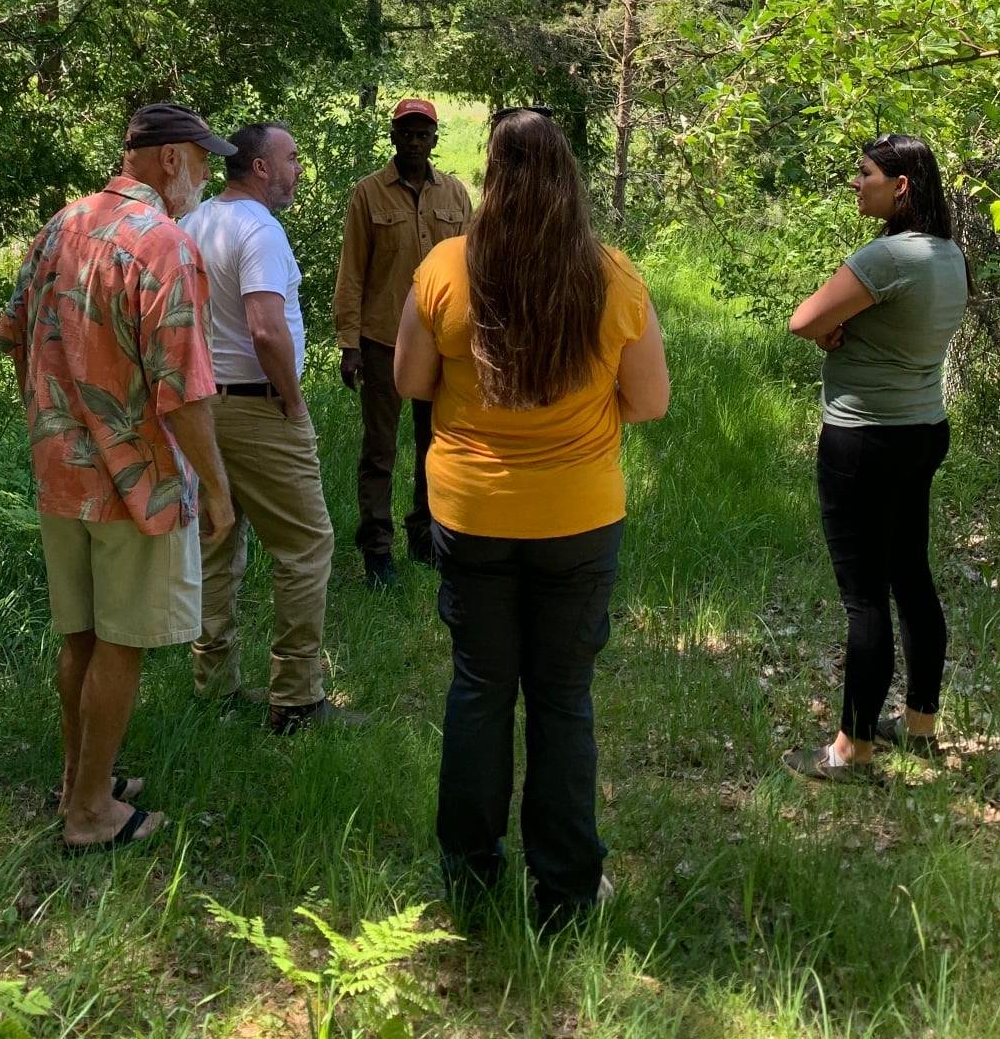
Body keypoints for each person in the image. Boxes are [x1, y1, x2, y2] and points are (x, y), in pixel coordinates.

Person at [394, 107, 670, 927]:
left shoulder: (447, 266)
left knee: (480, 689)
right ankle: (566, 891)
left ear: (492, 171)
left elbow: (410, 380)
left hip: (471, 512)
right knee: (562, 700)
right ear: (569, 174)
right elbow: (648, 402)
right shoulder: (611, 275)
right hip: (579, 520)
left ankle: (471, 878)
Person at [0, 102, 237, 851]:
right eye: (203, 158)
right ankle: (91, 812)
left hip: (59, 471)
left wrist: (49, 420)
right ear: (171, 160)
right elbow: (185, 392)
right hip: (139, 483)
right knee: (121, 643)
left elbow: (12, 335)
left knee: (81, 637)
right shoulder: (165, 244)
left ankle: (80, 780)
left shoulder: (61, 224)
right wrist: (221, 491)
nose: (206, 173)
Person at [785, 133, 970, 782]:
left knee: (864, 599)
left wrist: (830, 330)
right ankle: (919, 725)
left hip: (864, 439)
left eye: (864, 173)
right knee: (911, 577)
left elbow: (802, 320)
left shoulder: (886, 257)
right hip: (922, 430)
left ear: (902, 185)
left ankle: (852, 750)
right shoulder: (949, 255)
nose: (855, 183)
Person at [183, 124, 351, 733]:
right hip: (257, 409)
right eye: (293, 158)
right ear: (259, 168)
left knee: (216, 543)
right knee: (307, 547)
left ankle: (212, 685)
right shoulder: (258, 229)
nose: (299, 169)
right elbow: (264, 327)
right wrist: (294, 399)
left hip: (200, 407)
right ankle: (297, 700)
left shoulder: (194, 222)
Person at [333, 96, 472, 586]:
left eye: (423, 133)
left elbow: (470, 269)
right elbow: (351, 272)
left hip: (443, 342)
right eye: (406, 132)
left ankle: (425, 535)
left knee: (437, 444)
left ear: (435, 139)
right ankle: (376, 548)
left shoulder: (456, 195)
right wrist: (349, 343)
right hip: (383, 340)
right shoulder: (367, 195)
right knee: (380, 449)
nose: (415, 141)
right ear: (393, 137)